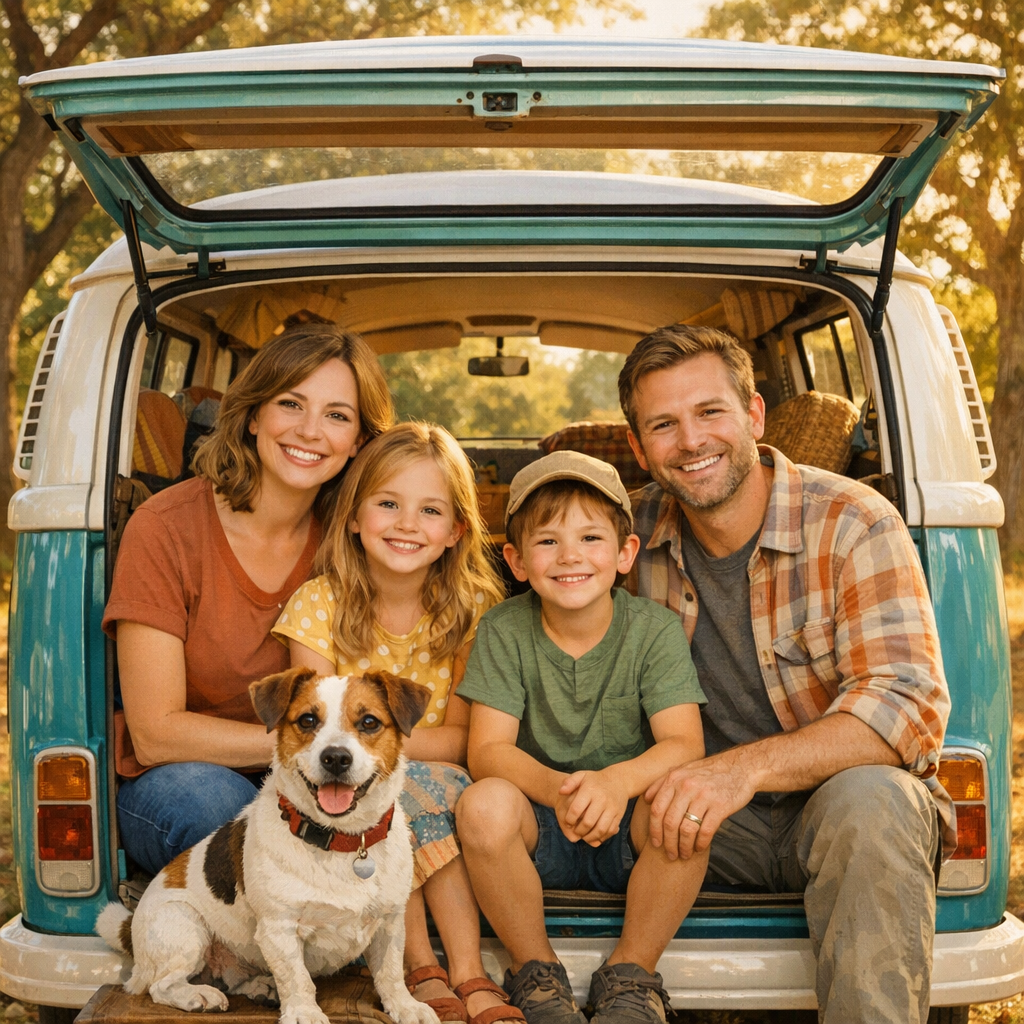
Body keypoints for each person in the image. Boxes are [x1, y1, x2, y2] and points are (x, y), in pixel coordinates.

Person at [618, 324, 951, 1024]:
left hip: (827, 812)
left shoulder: (855, 521)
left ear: (755, 415)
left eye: (710, 412)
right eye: (664, 425)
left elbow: (908, 708)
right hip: (693, 825)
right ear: (638, 447)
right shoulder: (619, 538)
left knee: (877, 802)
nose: (691, 441)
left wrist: (738, 771)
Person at [103, 322, 394, 875]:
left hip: (327, 768)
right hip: (184, 776)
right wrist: (314, 750)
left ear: (358, 440)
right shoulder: (165, 528)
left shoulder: (359, 535)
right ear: (254, 413)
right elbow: (156, 731)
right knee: (221, 806)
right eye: (291, 404)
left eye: (337, 415)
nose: (310, 431)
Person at [273, 422, 519, 1024]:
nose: (408, 524)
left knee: (421, 788)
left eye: (430, 510)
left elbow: (467, 739)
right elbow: (310, 730)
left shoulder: (477, 611)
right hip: (344, 788)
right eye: (388, 504)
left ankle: (462, 968)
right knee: (395, 794)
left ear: (457, 530)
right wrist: (379, 753)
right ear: (355, 516)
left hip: (441, 777)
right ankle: (422, 966)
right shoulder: (318, 603)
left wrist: (387, 756)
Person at [455, 452, 708, 1024]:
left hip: (626, 826)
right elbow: (487, 750)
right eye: (547, 542)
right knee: (482, 804)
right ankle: (536, 973)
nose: (569, 556)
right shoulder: (503, 628)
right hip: (539, 830)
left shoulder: (654, 629)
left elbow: (683, 744)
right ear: (516, 561)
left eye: (591, 537)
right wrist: (561, 792)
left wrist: (615, 785)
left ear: (625, 554)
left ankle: (632, 976)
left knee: (691, 806)